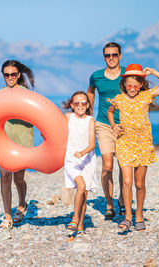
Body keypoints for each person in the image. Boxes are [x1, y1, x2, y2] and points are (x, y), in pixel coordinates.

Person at [107, 64, 159, 231]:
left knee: (139, 184)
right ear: (124, 85)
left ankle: (139, 215)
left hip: (143, 144)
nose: (132, 88)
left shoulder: (146, 96)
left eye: (135, 86)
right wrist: (113, 125)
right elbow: (109, 112)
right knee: (127, 181)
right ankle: (128, 217)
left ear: (140, 86)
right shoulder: (119, 99)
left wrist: (153, 72)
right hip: (124, 143)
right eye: (129, 85)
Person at [87, 42, 125, 219]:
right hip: (103, 124)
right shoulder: (96, 76)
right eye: (108, 55)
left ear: (120, 56)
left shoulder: (128, 74)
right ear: (104, 57)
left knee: (124, 167)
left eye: (114, 55)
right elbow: (91, 92)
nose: (111, 58)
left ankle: (123, 201)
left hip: (125, 125)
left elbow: (141, 91)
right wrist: (88, 114)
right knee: (107, 166)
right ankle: (110, 204)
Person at [0, 59, 35, 229]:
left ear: (19, 75)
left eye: (13, 74)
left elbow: (37, 115)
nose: (10, 77)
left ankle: (22, 204)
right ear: (3, 76)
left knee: (18, 179)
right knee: (5, 177)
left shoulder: (26, 93)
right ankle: (7, 216)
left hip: (22, 141)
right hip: (3, 141)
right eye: (7, 75)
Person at [62, 91, 97, 238]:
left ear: (88, 105)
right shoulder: (68, 117)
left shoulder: (90, 120)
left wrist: (82, 153)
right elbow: (58, 132)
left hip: (87, 158)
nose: (80, 106)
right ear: (71, 105)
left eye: (83, 103)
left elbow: (92, 144)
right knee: (80, 186)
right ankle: (75, 219)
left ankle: (80, 224)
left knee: (84, 193)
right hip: (71, 158)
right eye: (76, 103)